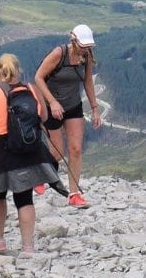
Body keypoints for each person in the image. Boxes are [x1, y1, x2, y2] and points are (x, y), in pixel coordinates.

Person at [0, 54, 61, 255]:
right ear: (18, 70)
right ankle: (28, 246)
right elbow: (44, 117)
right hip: (28, 151)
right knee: (24, 198)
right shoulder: (31, 89)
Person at [32, 24, 102, 207]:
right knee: (56, 152)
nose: (86, 50)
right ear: (74, 41)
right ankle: (39, 172)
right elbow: (38, 77)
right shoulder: (59, 53)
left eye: (88, 47)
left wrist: (94, 108)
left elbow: (88, 82)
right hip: (52, 106)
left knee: (76, 149)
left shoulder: (87, 57)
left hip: (73, 106)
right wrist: (52, 102)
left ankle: (74, 194)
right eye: (83, 46)